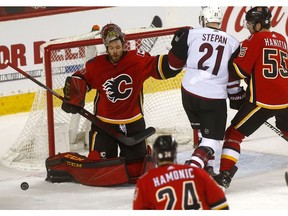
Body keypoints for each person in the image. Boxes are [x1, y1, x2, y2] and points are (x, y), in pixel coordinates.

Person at [61, 23, 182, 178]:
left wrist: (178, 56)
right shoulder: (96, 65)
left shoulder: (137, 60)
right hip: (104, 125)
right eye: (111, 48)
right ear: (106, 47)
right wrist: (73, 97)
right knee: (100, 166)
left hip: (133, 124)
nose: (115, 51)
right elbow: (79, 78)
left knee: (137, 169)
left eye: (118, 46)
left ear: (124, 44)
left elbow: (161, 67)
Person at [214, 6, 288, 189]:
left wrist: (231, 61)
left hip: (262, 101)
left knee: (234, 134)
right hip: (286, 99)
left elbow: (239, 70)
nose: (247, 26)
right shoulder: (282, 39)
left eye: (249, 23)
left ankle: (224, 175)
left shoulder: (253, 40)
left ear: (258, 24)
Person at [167, 7, 245, 174]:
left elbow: (172, 65)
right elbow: (232, 80)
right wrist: (237, 96)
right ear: (220, 20)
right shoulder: (233, 42)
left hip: (189, 92)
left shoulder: (191, 34)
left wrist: (179, 46)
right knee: (212, 141)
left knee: (204, 132)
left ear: (202, 19)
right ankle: (192, 170)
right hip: (213, 98)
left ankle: (207, 167)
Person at [133, 135, 229, 210]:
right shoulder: (197, 172)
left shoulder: (145, 181)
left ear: (156, 155)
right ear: (174, 153)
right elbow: (221, 205)